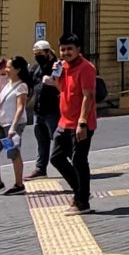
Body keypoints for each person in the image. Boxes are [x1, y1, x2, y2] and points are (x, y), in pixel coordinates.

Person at [47, 35, 98, 212]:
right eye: (62, 49)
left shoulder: (86, 68)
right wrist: (57, 76)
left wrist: (82, 122)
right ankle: (81, 191)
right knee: (56, 157)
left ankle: (82, 201)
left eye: (69, 49)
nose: (65, 52)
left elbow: (88, 96)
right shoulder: (62, 66)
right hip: (64, 122)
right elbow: (62, 89)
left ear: (78, 49)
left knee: (79, 160)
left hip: (81, 122)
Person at [0, 57, 28, 194]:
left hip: (12, 125)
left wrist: (14, 127)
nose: (6, 70)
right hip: (1, 124)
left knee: (13, 153)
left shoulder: (21, 86)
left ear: (18, 69)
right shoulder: (6, 84)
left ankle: (19, 184)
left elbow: (20, 108)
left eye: (9, 67)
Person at [24, 46, 56, 178]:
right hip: (38, 110)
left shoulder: (56, 66)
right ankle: (40, 168)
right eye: (36, 53)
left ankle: (75, 165)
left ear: (48, 52)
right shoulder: (34, 68)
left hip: (54, 109)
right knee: (41, 140)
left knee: (60, 140)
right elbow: (30, 88)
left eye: (40, 53)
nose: (38, 56)